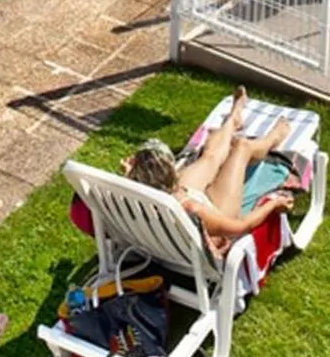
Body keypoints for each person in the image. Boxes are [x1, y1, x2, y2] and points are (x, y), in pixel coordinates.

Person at [121, 88, 296, 252]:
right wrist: (274, 203)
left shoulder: (130, 199)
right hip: (210, 216)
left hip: (170, 216)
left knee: (210, 157)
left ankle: (233, 120)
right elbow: (241, 226)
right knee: (242, 148)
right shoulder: (193, 210)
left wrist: (129, 175)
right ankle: (274, 138)